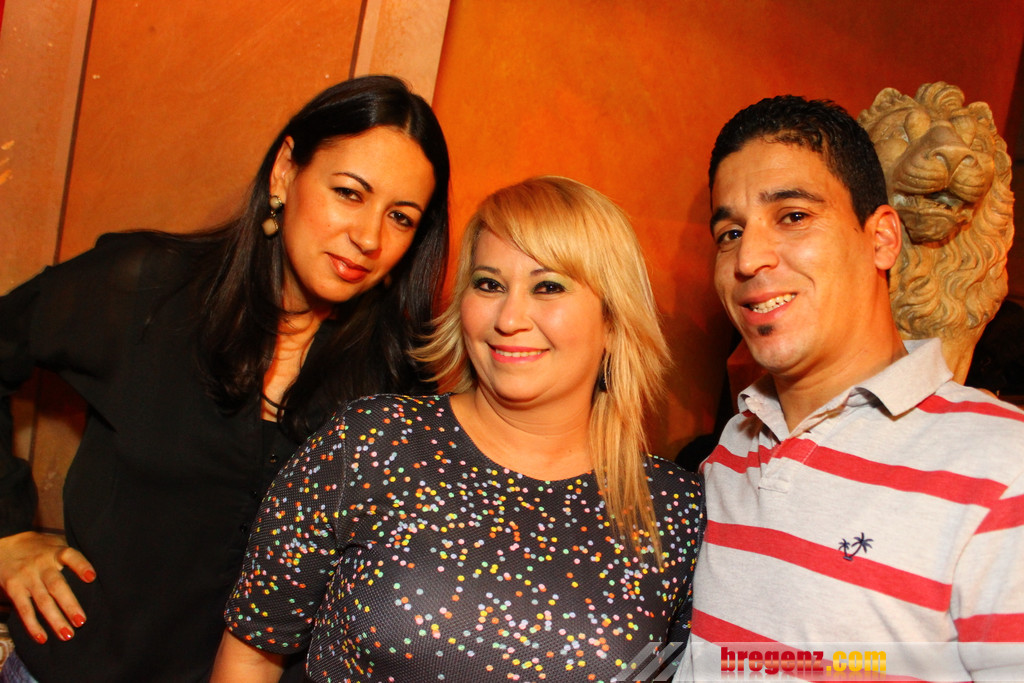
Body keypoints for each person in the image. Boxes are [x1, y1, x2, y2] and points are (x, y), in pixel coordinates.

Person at [0, 75, 450, 681]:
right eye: (349, 193)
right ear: (285, 172)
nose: (369, 237)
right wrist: (5, 536)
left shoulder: (401, 381)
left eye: (400, 217)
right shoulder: (149, 291)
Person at [210, 176, 705, 682]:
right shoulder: (372, 442)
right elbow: (251, 654)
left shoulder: (677, 512)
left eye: (548, 286)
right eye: (489, 284)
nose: (509, 318)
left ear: (613, 321)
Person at [675, 96, 1024, 681]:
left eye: (793, 216)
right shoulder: (731, 451)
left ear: (882, 238)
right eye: (730, 232)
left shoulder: (1004, 465)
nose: (748, 258)